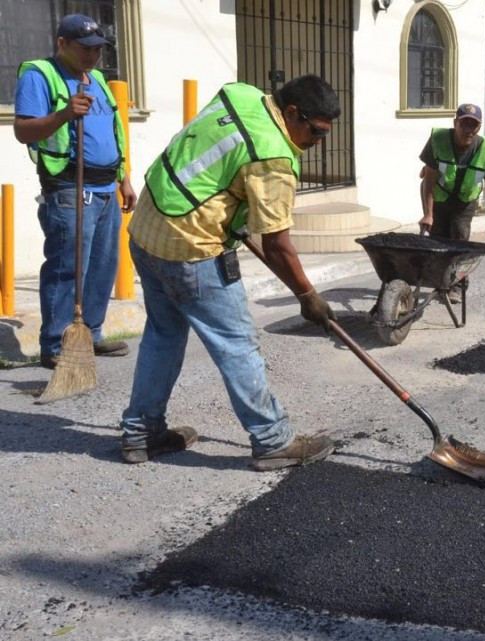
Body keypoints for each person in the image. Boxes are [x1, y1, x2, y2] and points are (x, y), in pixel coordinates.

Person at [118, 75, 340, 470]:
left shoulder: (242, 96)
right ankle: (272, 440)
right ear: (291, 113)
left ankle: (141, 434)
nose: (318, 142)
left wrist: (230, 209)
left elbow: (211, 162)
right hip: (191, 250)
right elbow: (277, 245)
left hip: (147, 230)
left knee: (162, 334)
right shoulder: (273, 157)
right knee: (236, 344)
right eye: (316, 131)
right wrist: (308, 296)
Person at [13, 14, 137, 369]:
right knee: (68, 268)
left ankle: (90, 334)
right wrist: (65, 114)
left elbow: (116, 131)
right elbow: (24, 131)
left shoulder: (97, 79)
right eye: (85, 48)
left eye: (98, 49)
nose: (93, 55)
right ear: (62, 43)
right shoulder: (40, 75)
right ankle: (54, 344)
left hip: (104, 186)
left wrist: (124, 178)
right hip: (69, 185)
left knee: (102, 265)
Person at [418, 103, 485, 302]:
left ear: (479, 127)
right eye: (464, 124)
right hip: (439, 196)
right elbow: (428, 180)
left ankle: (457, 287)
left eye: (473, 126)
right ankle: (440, 282)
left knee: (459, 239)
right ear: (455, 123)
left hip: (465, 201)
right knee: (438, 241)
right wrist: (428, 213)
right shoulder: (438, 140)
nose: (468, 130)